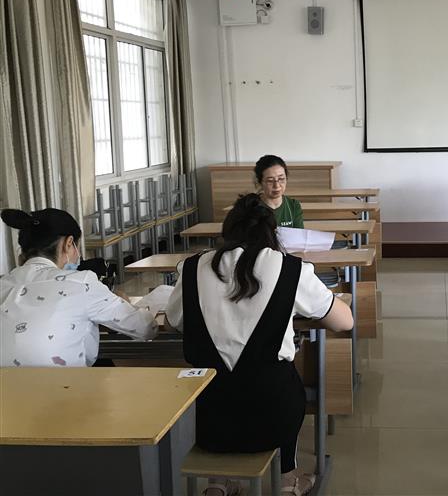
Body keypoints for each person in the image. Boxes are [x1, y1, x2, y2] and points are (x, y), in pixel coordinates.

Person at [166, 193, 353, 496]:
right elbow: (345, 322)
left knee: (221, 385)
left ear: (226, 232)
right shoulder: (290, 268)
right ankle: (288, 480)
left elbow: (174, 320)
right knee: (283, 380)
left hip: (206, 418)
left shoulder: (192, 267)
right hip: (273, 418)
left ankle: (218, 483)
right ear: (272, 232)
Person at [0, 208, 157, 367]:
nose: (78, 255)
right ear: (68, 243)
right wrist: (125, 303)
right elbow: (146, 328)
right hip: (63, 382)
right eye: (77, 247)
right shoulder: (81, 282)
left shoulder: (3, 283)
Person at [255, 154, 304, 228]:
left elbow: (299, 234)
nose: (277, 186)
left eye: (281, 179)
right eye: (270, 181)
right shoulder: (250, 207)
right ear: (260, 182)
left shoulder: (293, 206)